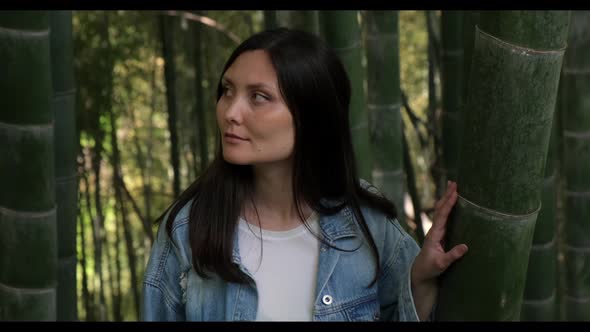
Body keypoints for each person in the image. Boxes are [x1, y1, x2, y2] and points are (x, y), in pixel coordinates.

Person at [141, 27, 468, 322]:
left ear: (312, 115)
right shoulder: (188, 228)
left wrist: (421, 281)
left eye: (258, 97)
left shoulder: (367, 222)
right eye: (227, 90)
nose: (230, 112)